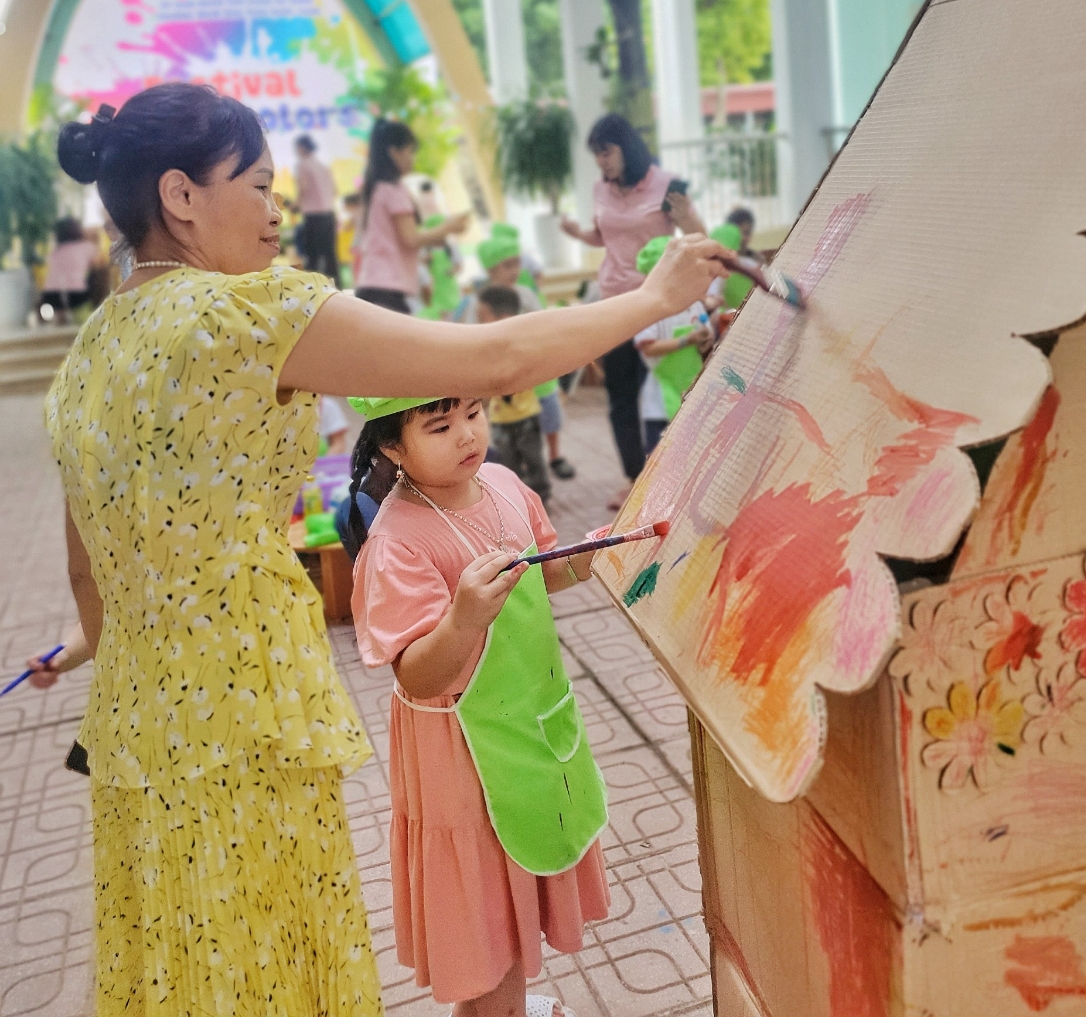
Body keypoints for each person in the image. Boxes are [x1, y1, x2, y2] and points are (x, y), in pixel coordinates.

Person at [38, 82, 732, 1017]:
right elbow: (491, 360)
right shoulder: (241, 315)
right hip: (245, 704)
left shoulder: (88, 352)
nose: (278, 210)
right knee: (274, 952)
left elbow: (89, 564)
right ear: (181, 195)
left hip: (138, 717)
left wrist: (88, 644)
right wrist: (652, 298)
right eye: (258, 185)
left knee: (191, 955)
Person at [347, 392, 608, 1017]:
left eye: (473, 413)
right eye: (440, 426)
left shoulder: (505, 485)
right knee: (484, 915)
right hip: (461, 752)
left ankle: (506, 1003)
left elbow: (541, 572)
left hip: (530, 720)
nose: (467, 435)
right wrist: (463, 619)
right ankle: (497, 1007)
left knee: (518, 877)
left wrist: (586, 559)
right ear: (392, 447)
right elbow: (417, 674)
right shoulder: (398, 541)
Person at [560, 114, 705, 504]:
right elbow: (603, 235)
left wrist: (686, 217)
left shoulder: (665, 184)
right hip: (615, 303)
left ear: (627, 147)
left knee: (665, 390)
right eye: (596, 154)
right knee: (621, 395)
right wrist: (577, 234)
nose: (601, 161)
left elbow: (698, 236)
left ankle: (677, 472)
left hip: (658, 302)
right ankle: (634, 478)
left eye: (606, 152)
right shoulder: (600, 189)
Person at [466, 228, 576, 480]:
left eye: (517, 263)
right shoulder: (481, 302)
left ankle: (555, 457)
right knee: (511, 424)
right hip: (506, 375)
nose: (514, 270)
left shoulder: (526, 294)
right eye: (507, 265)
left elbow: (542, 325)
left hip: (537, 371)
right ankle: (517, 467)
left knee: (549, 415)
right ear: (491, 269)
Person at [356, 118, 469, 314]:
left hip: (374, 284)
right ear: (394, 152)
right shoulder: (393, 189)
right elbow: (410, 238)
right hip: (388, 286)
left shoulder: (376, 189)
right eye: (410, 152)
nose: (412, 159)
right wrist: (448, 227)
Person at [633, 236, 713, 455]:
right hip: (661, 400)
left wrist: (704, 341)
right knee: (663, 460)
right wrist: (686, 340)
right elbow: (648, 347)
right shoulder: (650, 309)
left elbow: (705, 342)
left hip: (694, 389)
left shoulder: (694, 303)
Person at [475, 284, 552, 506]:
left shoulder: (520, 346)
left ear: (503, 317)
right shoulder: (486, 349)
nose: (479, 322)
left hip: (526, 416)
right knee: (508, 465)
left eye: (483, 316)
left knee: (534, 460)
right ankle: (517, 502)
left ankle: (542, 499)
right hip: (500, 419)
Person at [292, 133, 339, 283]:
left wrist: (295, 205)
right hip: (329, 215)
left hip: (314, 217)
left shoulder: (303, 165)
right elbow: (335, 190)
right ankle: (336, 286)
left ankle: (313, 288)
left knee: (313, 256)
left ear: (302, 147)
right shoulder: (323, 167)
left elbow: (303, 189)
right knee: (330, 255)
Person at [39, 217, 102, 323]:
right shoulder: (87, 247)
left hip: (51, 295)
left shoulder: (55, 251)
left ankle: (60, 317)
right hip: (77, 294)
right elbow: (99, 264)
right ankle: (85, 315)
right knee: (96, 276)